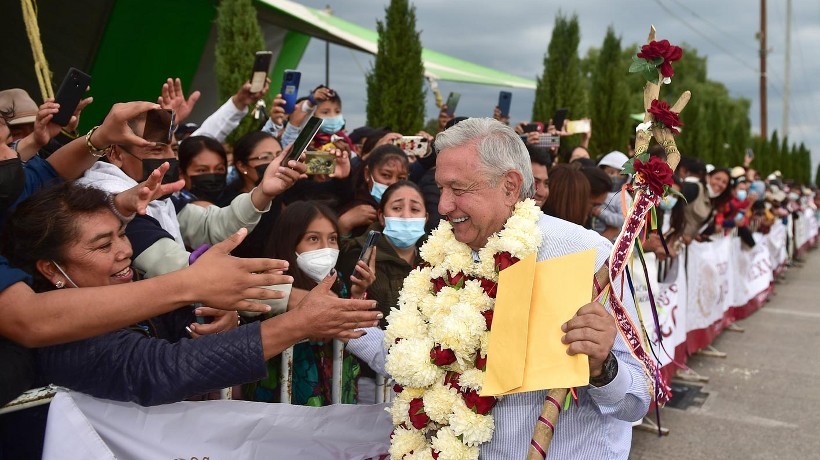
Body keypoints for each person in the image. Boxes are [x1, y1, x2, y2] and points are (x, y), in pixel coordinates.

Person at [347, 118, 650, 459]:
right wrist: (348, 326)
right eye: (440, 188)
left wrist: (602, 367)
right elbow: (418, 361)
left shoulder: (585, 256)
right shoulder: (441, 256)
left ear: (509, 186)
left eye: (458, 189)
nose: (443, 205)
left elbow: (637, 399)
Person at [2, 182, 382, 406]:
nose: (124, 251)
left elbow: (183, 323)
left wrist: (218, 317)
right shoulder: (61, 338)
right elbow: (163, 368)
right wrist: (296, 323)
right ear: (51, 269)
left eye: (122, 235)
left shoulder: (133, 288)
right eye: (103, 245)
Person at [251, 201, 375, 405]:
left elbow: (348, 331)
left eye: (332, 239)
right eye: (313, 239)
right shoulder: (271, 283)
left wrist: (358, 293)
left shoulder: (338, 280)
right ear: (289, 242)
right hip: (284, 404)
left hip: (335, 398)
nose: (326, 248)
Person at [338, 144, 409, 238]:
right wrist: (343, 225)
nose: (393, 183)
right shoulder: (350, 206)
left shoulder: (410, 212)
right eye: (386, 175)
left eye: (401, 178)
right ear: (367, 173)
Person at [177, 135, 228, 205]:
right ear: (181, 173)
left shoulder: (231, 201)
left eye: (219, 169)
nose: (212, 178)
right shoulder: (174, 208)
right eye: (202, 170)